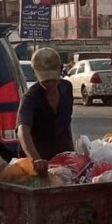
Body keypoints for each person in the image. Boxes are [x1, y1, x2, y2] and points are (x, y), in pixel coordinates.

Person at [17, 47, 74, 175]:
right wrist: (36, 160)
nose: (50, 84)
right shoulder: (30, 98)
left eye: (53, 79)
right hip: (38, 162)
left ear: (61, 69)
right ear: (34, 73)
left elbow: (66, 124)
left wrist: (72, 153)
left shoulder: (66, 88)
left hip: (62, 158)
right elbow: (23, 131)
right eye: (45, 80)